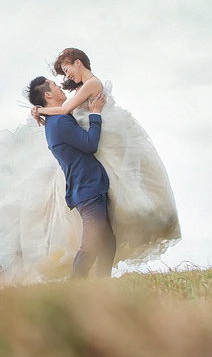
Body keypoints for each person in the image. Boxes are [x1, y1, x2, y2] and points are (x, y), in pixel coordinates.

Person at [33, 48, 181, 266]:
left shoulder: (92, 84)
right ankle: (89, 287)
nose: (66, 77)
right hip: (91, 163)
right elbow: (67, 113)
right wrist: (40, 111)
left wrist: (41, 111)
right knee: (101, 240)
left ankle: (91, 287)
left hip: (102, 146)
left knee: (105, 236)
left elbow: (65, 111)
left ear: (78, 63)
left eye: (67, 70)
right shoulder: (82, 89)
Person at [29, 76, 115, 278]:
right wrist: (95, 114)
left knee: (108, 241)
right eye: (55, 85)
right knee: (91, 245)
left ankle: (104, 289)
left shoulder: (57, 117)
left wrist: (39, 110)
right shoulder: (59, 122)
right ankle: (75, 287)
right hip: (88, 188)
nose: (60, 86)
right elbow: (90, 144)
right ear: (48, 94)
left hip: (89, 185)